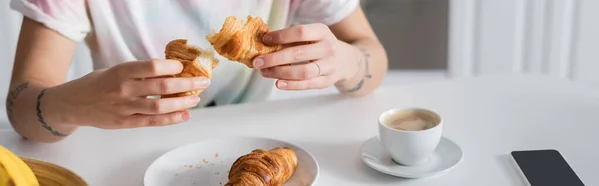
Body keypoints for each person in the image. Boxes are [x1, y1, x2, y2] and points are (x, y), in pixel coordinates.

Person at [6, 0, 388, 143]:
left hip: (256, 143)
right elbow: (22, 108)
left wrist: (347, 61)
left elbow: (373, 57)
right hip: (125, 153)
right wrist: (73, 104)